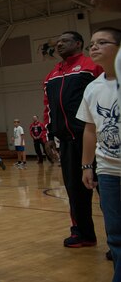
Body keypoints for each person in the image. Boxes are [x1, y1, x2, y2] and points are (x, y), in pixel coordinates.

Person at [43, 31, 103, 247]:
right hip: (67, 142)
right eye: (57, 41)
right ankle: (83, 233)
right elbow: (48, 107)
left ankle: (117, 240)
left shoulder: (92, 67)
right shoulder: (51, 76)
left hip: (95, 140)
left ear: (78, 43)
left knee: (105, 191)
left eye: (64, 41)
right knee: (75, 192)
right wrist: (49, 134)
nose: (59, 44)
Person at [78, 27, 121, 276]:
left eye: (102, 42)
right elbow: (90, 129)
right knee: (115, 234)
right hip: (108, 170)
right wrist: (87, 165)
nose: (94, 47)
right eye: (92, 44)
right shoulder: (92, 87)